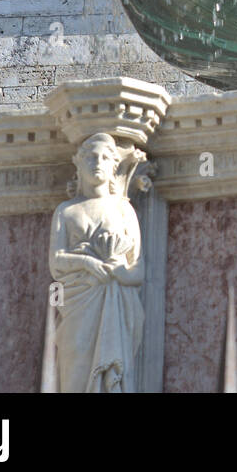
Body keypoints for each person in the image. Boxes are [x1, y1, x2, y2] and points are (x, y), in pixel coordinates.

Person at [48, 133, 145, 393]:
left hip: (116, 299)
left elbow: (139, 271)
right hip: (79, 301)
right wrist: (87, 264)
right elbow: (56, 262)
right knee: (76, 362)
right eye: (90, 157)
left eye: (104, 157)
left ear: (115, 165)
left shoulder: (124, 210)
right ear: (78, 164)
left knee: (114, 369)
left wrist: (118, 271)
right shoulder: (66, 210)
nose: (97, 162)